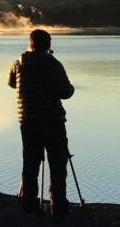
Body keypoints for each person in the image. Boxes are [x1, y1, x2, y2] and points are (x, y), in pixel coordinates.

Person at [7, 29, 75, 216]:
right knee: (58, 165)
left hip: (28, 121)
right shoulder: (53, 64)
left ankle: (29, 206)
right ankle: (58, 207)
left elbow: (11, 83)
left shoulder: (18, 63)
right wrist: (71, 88)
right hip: (52, 121)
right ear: (48, 44)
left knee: (30, 164)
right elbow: (65, 92)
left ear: (30, 43)